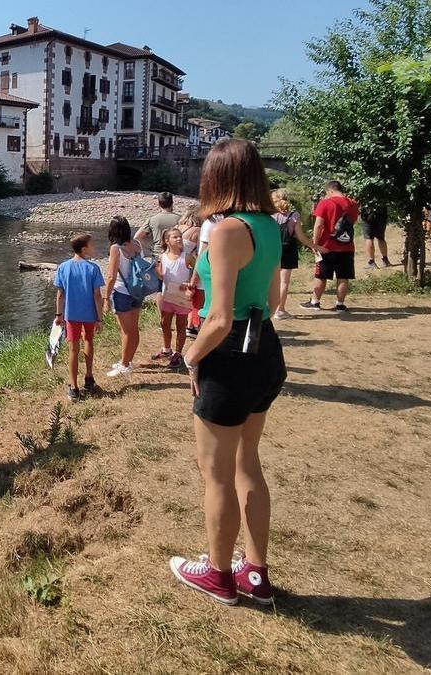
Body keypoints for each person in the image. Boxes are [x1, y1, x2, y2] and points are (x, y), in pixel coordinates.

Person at [169, 138, 286, 607]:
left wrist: (192, 357)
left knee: (215, 474)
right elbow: (275, 299)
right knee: (248, 463)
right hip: (265, 350)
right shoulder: (271, 225)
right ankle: (255, 574)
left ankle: (218, 576)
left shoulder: (225, 230)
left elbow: (217, 319)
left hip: (228, 355)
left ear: (217, 178)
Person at [53, 233, 105, 400]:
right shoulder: (93, 268)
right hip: (89, 314)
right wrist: (99, 317)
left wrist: (59, 315)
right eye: (92, 245)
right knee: (89, 341)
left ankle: (73, 386)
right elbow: (97, 295)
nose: (94, 247)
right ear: (84, 249)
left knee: (73, 349)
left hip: (71, 314)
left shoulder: (63, 267)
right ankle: (89, 378)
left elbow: (60, 294)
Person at [299, 180, 358, 313]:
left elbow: (318, 225)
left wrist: (315, 244)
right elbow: (352, 222)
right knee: (343, 276)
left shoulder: (325, 202)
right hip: (347, 246)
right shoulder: (353, 204)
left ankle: (315, 302)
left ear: (329, 191)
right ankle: (340, 305)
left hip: (327, 246)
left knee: (321, 276)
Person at [102, 216, 144, 377]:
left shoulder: (115, 248)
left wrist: (106, 298)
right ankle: (128, 360)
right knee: (134, 328)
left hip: (122, 292)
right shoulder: (137, 244)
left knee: (126, 331)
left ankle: (124, 365)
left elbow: (112, 276)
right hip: (137, 290)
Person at [154, 228, 196, 368]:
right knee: (165, 323)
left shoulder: (187, 256)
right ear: (167, 241)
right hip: (168, 296)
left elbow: (198, 271)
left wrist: (191, 284)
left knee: (181, 325)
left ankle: (178, 353)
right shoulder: (162, 257)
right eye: (175, 237)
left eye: (180, 237)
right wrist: (157, 272)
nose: (179, 239)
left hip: (182, 297)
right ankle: (166, 349)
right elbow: (162, 276)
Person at [271, 189, 315, 320]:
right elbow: (300, 236)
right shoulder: (294, 215)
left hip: (272, 249)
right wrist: (313, 246)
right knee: (284, 282)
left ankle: (269, 308)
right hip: (288, 249)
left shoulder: (269, 215)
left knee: (271, 280)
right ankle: (281, 310)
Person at [361, 203, 392, 268]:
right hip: (381, 214)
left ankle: (372, 262)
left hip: (368, 215)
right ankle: (385, 260)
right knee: (381, 238)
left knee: (369, 238)